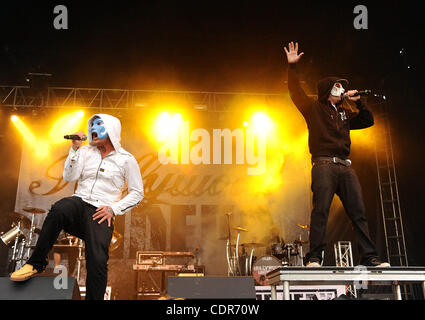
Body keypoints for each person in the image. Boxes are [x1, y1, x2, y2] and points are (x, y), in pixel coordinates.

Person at [10, 114, 144, 299]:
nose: (94, 130)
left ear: (112, 130)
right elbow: (70, 177)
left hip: (100, 213)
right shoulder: (85, 151)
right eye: (92, 126)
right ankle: (36, 263)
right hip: (79, 203)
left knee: (97, 260)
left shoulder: (126, 160)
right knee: (59, 208)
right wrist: (74, 149)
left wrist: (113, 209)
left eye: (99, 126)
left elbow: (137, 193)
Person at [283, 42, 389, 268]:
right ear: (329, 90)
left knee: (358, 212)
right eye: (338, 86)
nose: (342, 90)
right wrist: (292, 67)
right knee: (321, 210)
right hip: (324, 165)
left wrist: (358, 101)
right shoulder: (314, 109)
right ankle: (314, 257)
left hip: (345, 167)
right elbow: (295, 92)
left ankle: (370, 257)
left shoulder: (344, 113)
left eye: (343, 87)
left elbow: (368, 120)